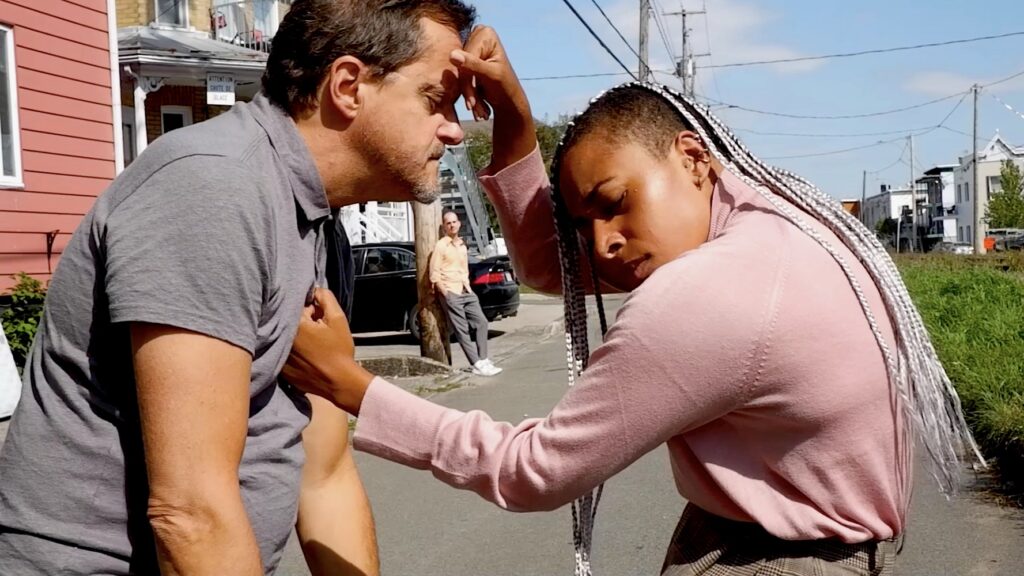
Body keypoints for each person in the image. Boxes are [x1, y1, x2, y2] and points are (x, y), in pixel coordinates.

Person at [282, 26, 982, 576]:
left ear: (693, 156)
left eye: (613, 205)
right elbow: (556, 271)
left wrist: (352, 386)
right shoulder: (782, 222)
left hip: (769, 561)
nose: (604, 245)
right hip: (829, 546)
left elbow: (535, 469)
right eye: (584, 223)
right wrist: (518, 129)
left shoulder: (710, 292)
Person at [0, 1, 478, 574]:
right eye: (435, 100)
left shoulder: (314, 218)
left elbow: (323, 473)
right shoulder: (213, 189)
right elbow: (189, 514)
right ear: (348, 85)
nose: (454, 129)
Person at [431, 209, 501, 375]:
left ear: (459, 224)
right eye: (448, 223)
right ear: (444, 227)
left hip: (465, 290)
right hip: (451, 291)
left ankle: (483, 359)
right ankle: (476, 363)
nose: (452, 225)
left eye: (454, 222)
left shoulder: (461, 245)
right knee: (461, 330)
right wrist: (445, 293)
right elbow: (434, 273)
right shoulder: (441, 246)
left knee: (482, 322)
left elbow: (463, 269)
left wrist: (467, 286)